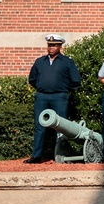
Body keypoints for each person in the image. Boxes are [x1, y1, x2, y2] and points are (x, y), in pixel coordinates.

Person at [27, 35, 82, 163]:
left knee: (61, 127)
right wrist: (43, 88)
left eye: (54, 45)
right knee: (39, 126)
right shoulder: (40, 61)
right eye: (49, 45)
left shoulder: (67, 62)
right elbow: (32, 79)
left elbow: (76, 81)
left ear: (60, 47)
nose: (51, 48)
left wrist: (63, 90)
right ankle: (37, 156)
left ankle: (60, 155)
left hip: (59, 97)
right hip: (42, 97)